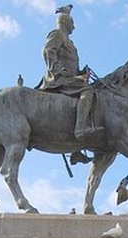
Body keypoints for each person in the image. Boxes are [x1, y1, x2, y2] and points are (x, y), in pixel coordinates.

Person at [39, 7, 101, 140]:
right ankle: (80, 129)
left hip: (69, 78)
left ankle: (76, 151)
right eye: (72, 24)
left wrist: (81, 73)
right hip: (59, 78)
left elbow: (71, 66)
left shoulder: (70, 42)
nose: (74, 27)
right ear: (66, 23)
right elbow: (48, 51)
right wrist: (59, 72)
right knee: (88, 92)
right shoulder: (57, 34)